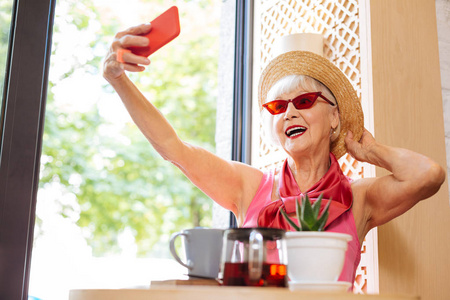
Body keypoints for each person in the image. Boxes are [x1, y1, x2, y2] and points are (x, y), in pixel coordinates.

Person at [103, 23, 446, 283]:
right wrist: (119, 80)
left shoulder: (360, 198)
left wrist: (371, 149)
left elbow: (428, 175)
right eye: (279, 106)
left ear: (334, 118)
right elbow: (174, 149)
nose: (289, 113)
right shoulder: (249, 186)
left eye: (305, 102)